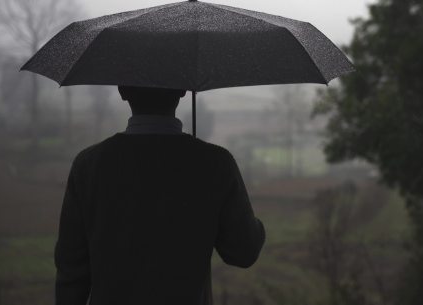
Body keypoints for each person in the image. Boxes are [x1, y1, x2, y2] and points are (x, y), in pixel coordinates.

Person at [54, 85, 265, 305]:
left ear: (122, 91)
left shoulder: (89, 165)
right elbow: (243, 252)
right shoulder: (216, 163)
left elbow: (71, 271)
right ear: (184, 90)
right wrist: (251, 224)